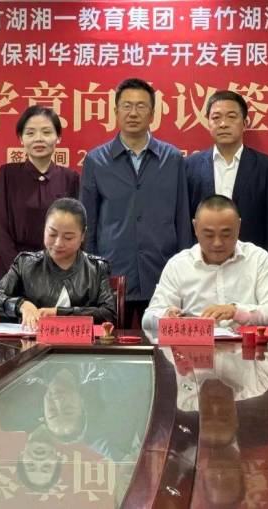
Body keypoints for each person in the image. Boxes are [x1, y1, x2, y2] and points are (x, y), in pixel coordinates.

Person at [80, 78, 192, 327]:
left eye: (141, 106)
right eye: (127, 106)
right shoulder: (96, 160)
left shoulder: (172, 158)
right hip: (113, 272)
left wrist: (185, 270)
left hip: (162, 271)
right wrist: (92, 274)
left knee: (162, 344)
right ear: (116, 111)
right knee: (109, 344)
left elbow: (182, 218)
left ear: (152, 114)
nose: (133, 113)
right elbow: (89, 223)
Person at [142, 194, 268, 335]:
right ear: (195, 227)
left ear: (239, 226)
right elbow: (147, 319)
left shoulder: (258, 259)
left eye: (226, 234)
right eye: (209, 235)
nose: (217, 243)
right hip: (195, 348)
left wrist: (236, 311)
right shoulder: (178, 265)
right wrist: (166, 315)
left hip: (247, 348)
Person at [186, 90, 268, 279]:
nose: (223, 124)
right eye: (216, 117)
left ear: (245, 123)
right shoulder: (190, 166)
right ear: (208, 123)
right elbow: (185, 222)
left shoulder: (266, 167)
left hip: (250, 271)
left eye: (231, 116)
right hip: (202, 272)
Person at [0, 198, 116, 328]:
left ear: (82, 235)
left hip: (81, 341)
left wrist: (58, 313)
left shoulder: (97, 268)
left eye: (68, 237)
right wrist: (21, 305)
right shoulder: (26, 264)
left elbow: (109, 313)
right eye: (52, 234)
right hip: (33, 340)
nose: (58, 243)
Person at [0, 106, 79, 283]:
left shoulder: (71, 178)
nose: (38, 138)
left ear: (58, 137)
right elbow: (0, 227)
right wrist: (20, 271)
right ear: (21, 139)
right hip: (13, 272)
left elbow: (77, 230)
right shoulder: (8, 174)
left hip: (58, 271)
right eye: (30, 133)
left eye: (46, 132)